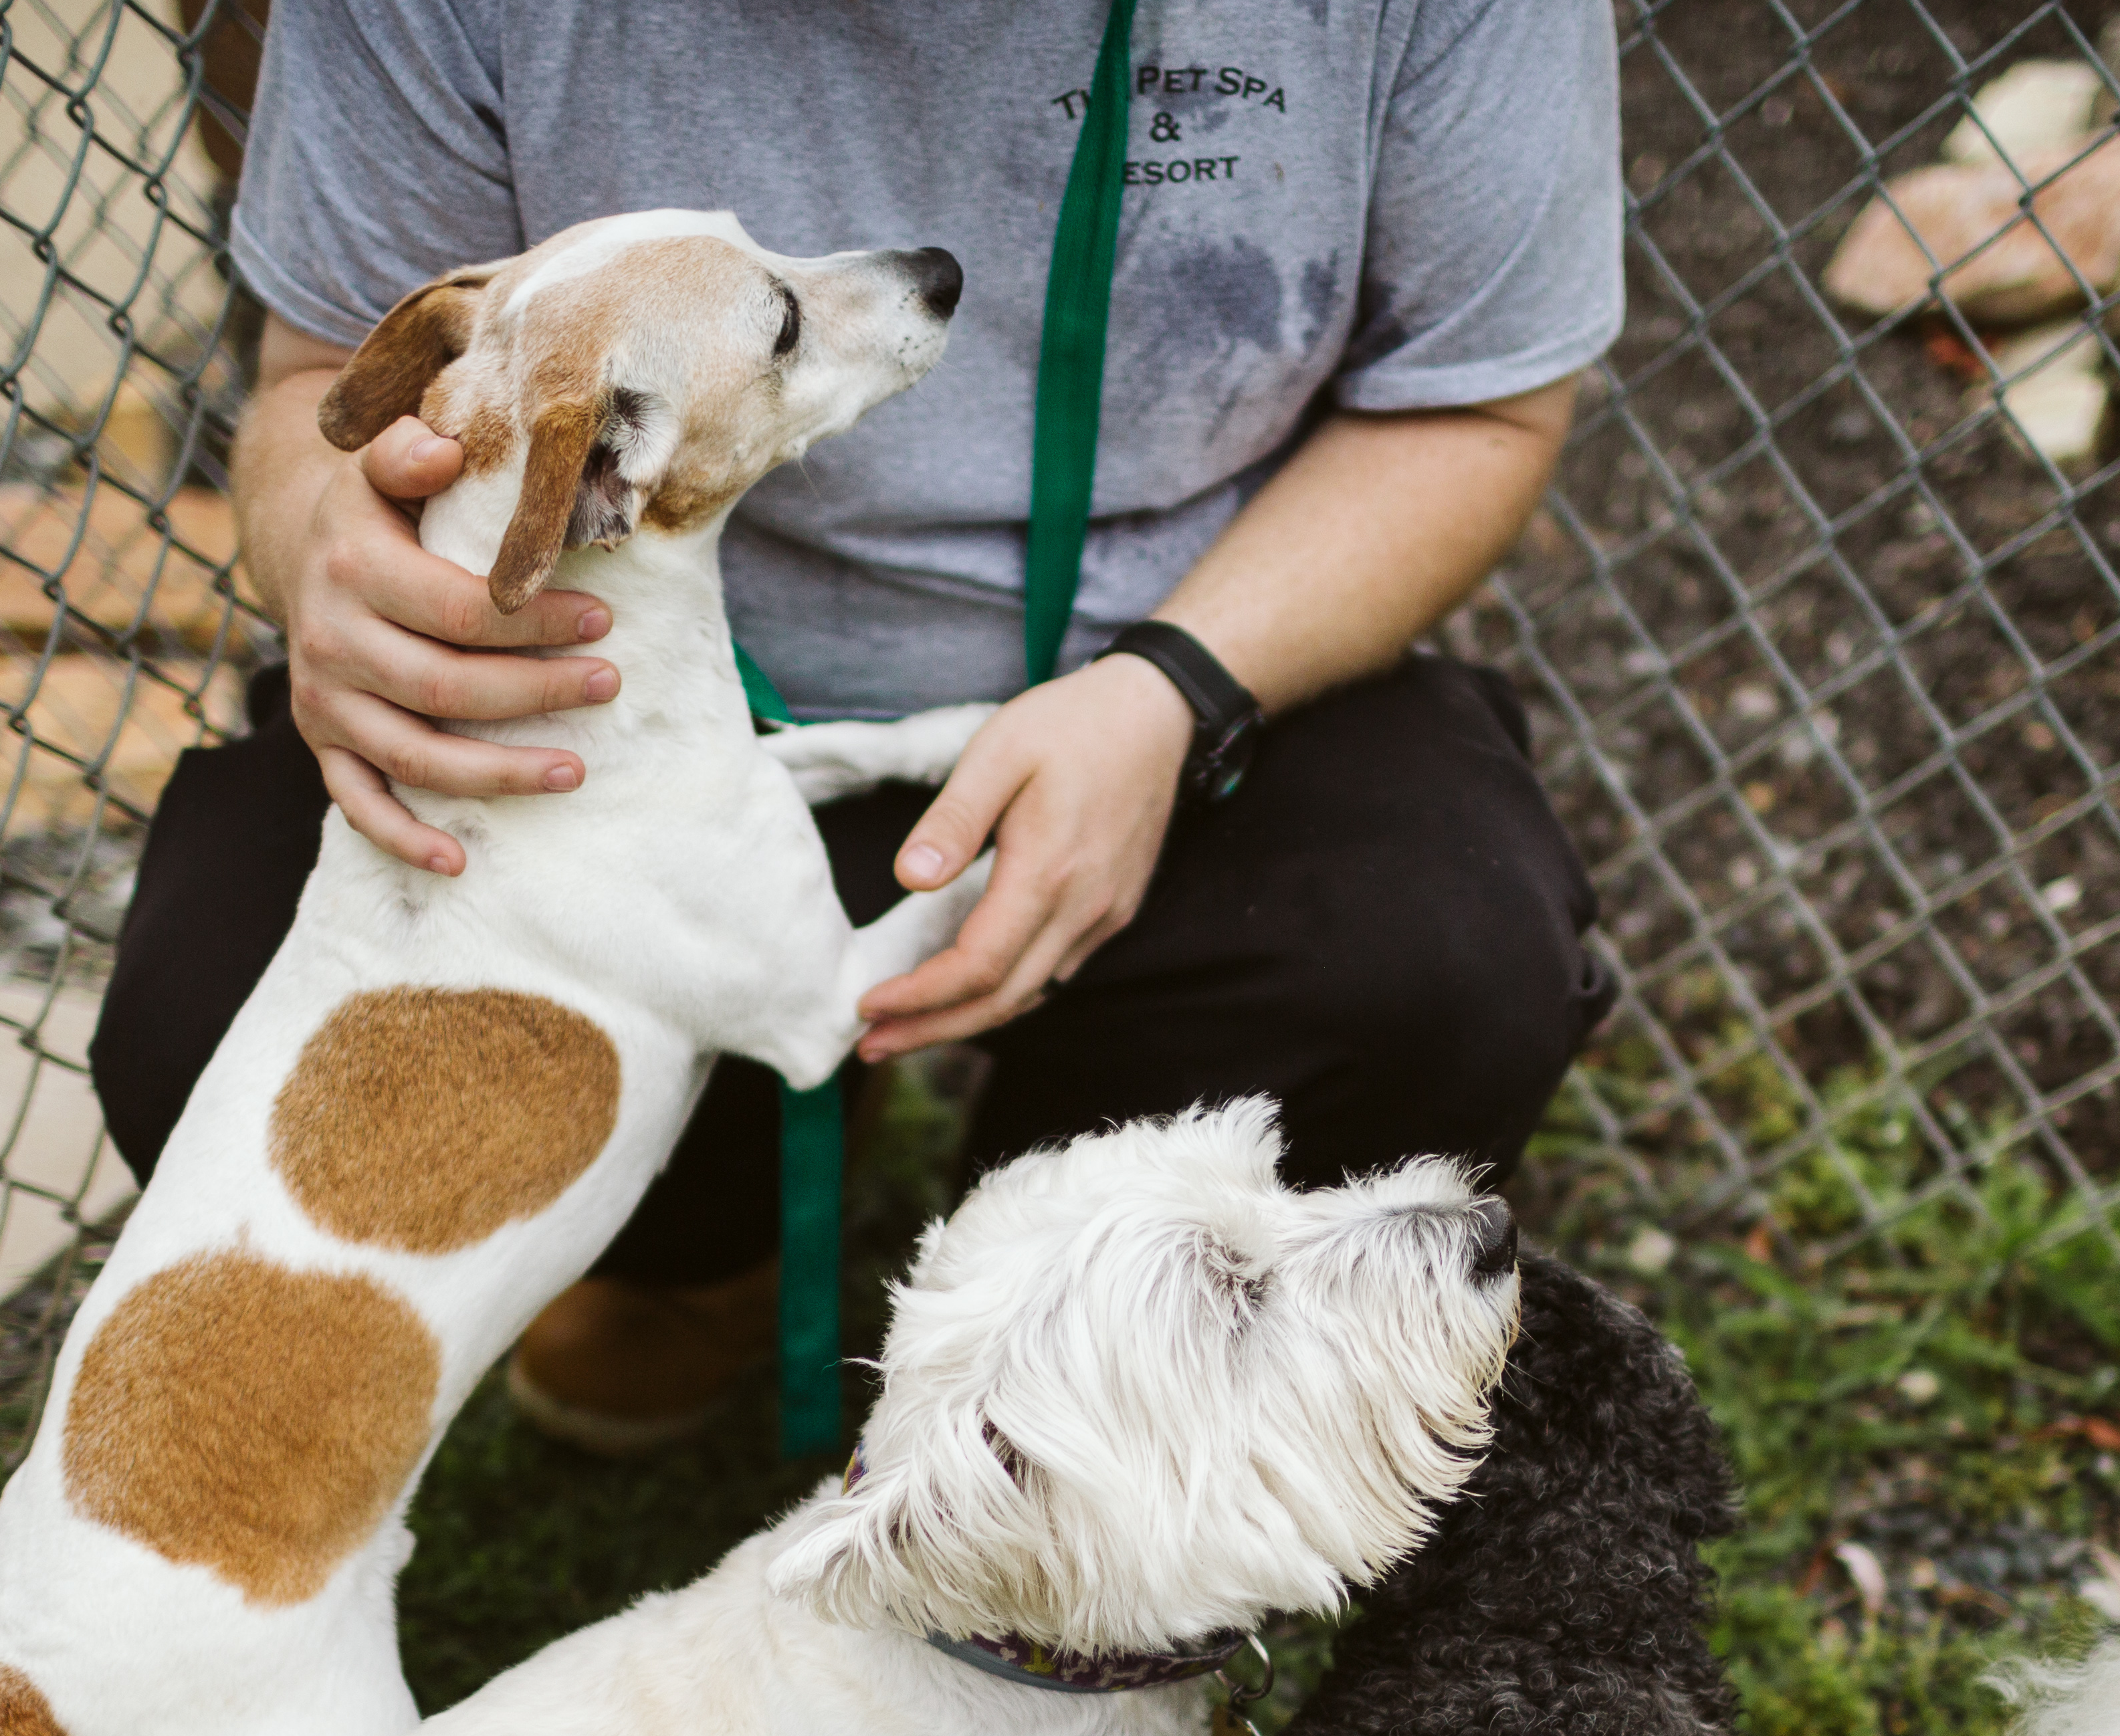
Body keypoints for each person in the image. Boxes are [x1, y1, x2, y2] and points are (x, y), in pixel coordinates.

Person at [92, 0, 1624, 1450]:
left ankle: (1071, 1353)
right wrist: (329, 564)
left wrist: (1177, 691)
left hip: (1171, 644)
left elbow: (1479, 406)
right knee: (203, 1017)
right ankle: (704, 1249)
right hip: (598, 705)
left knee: (1441, 960)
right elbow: (322, 390)